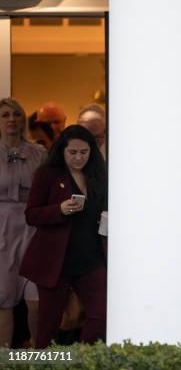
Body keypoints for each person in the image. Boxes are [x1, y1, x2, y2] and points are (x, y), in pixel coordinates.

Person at [20, 125, 107, 348]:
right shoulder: (47, 175)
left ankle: (80, 360)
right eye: (73, 152)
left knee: (101, 314)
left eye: (84, 152)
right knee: (48, 325)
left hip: (90, 258)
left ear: (92, 151)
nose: (79, 158)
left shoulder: (98, 174)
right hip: (54, 261)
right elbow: (31, 214)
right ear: (62, 151)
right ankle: (42, 362)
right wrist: (59, 210)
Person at [0, 98, 46, 347]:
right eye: (5, 115)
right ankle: (4, 359)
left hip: (33, 228)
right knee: (3, 300)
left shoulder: (38, 153)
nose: (11, 119)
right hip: (2, 231)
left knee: (36, 300)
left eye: (16, 114)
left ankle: (39, 357)